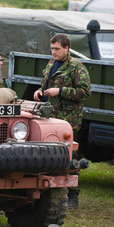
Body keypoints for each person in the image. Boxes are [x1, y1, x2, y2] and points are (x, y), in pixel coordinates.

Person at [33, 34, 91, 210]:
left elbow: (85, 92)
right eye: (52, 49)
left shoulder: (76, 67)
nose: (54, 52)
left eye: (57, 49)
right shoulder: (51, 64)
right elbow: (46, 85)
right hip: (50, 117)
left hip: (68, 120)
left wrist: (60, 91)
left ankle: (72, 194)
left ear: (66, 48)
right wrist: (40, 91)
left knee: (69, 157)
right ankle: (47, 192)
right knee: (48, 154)